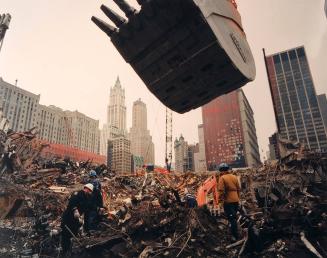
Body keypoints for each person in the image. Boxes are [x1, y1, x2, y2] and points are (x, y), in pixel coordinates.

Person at [61, 184, 94, 255]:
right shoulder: (77, 194)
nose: (89, 192)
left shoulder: (88, 198)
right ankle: (64, 251)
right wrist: (75, 210)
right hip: (68, 217)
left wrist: (87, 228)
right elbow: (72, 202)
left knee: (74, 233)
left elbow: (87, 213)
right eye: (88, 190)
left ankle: (71, 250)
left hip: (76, 219)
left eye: (90, 191)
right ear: (85, 188)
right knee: (66, 234)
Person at [217, 163, 241, 241]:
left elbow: (221, 191)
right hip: (236, 200)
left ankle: (235, 236)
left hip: (228, 201)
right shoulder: (234, 177)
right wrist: (238, 198)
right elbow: (238, 189)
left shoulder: (222, 178)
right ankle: (237, 233)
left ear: (221, 170)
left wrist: (220, 201)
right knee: (234, 217)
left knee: (231, 219)